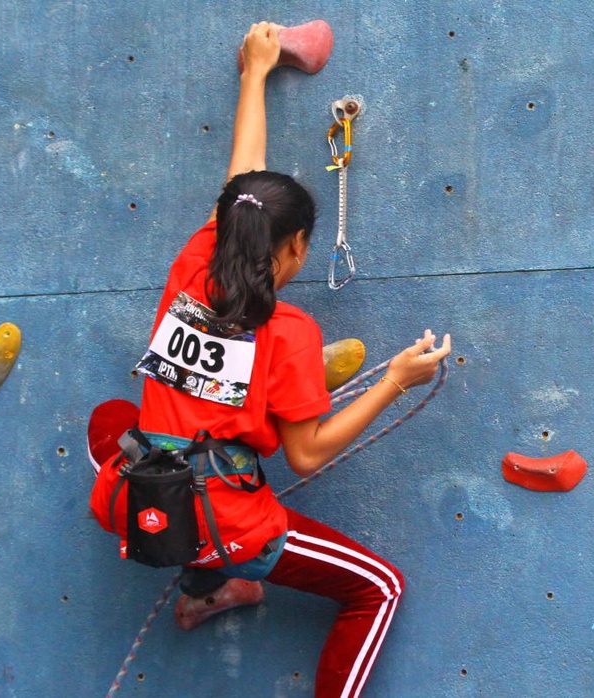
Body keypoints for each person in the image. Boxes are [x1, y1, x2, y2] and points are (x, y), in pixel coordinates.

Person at [90, 22, 451, 698]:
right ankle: (222, 574)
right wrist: (396, 382)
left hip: (133, 497)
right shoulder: (289, 332)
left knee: (164, 452)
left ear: (229, 225)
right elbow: (307, 456)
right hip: (226, 523)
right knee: (378, 588)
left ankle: (208, 590)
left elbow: (241, 177)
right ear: (296, 249)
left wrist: (255, 73)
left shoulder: (193, 267)